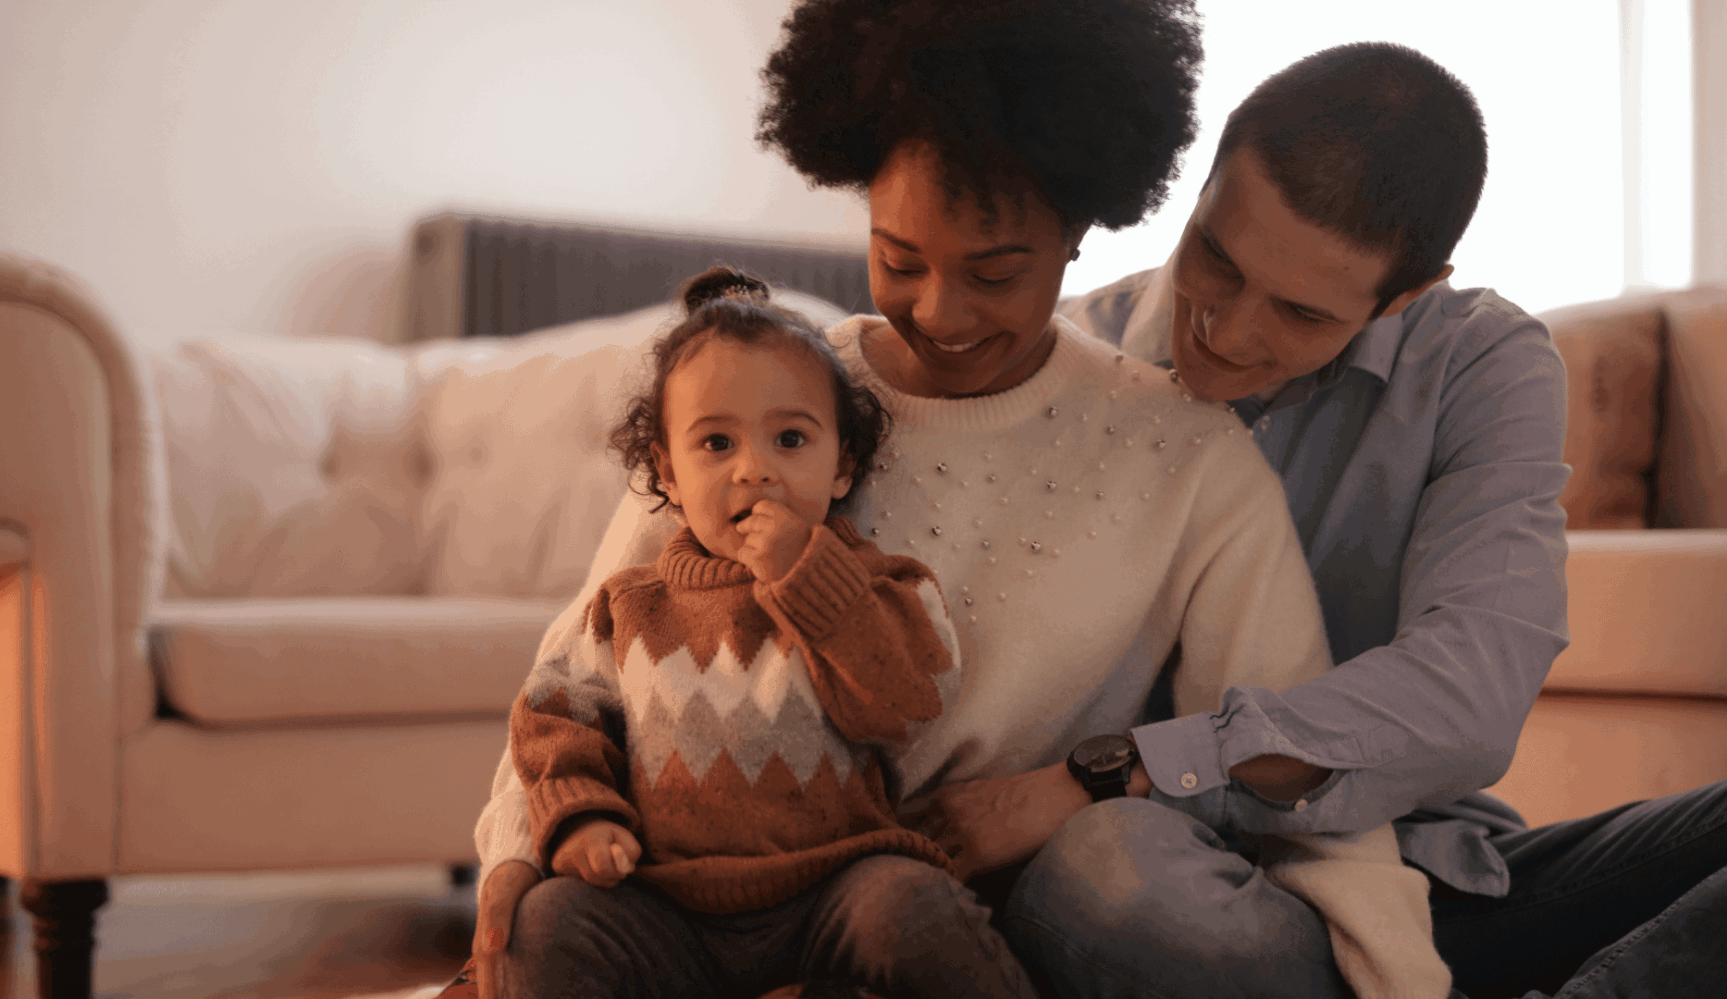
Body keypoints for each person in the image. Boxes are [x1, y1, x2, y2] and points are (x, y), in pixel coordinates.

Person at [463, 4, 1457, 998]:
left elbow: (1279, 751)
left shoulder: (1190, 457)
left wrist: (1399, 974)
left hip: (944, 927)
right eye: (899, 260)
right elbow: (587, 660)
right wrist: (518, 854)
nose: (939, 311)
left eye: (996, 271)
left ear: (1075, 232)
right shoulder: (772, 399)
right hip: (692, 897)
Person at [975, 41, 1727, 999]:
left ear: (1404, 296)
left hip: (1433, 881)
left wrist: (1130, 766)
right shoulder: (1054, 362)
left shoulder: (1478, 361)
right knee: (1105, 873)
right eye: (1217, 255)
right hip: (1172, 892)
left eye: (1299, 312)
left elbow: (1470, 690)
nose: (1230, 331)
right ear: (1201, 187)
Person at [471, 264, 1038, 999]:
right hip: (666, 906)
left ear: (844, 465)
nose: (755, 471)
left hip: (835, 889)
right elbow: (554, 719)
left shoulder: (880, 585)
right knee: (548, 921)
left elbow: (911, 702)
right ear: (666, 475)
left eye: (791, 439)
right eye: (716, 445)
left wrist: (806, 576)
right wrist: (579, 818)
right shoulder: (629, 605)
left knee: (915, 907)